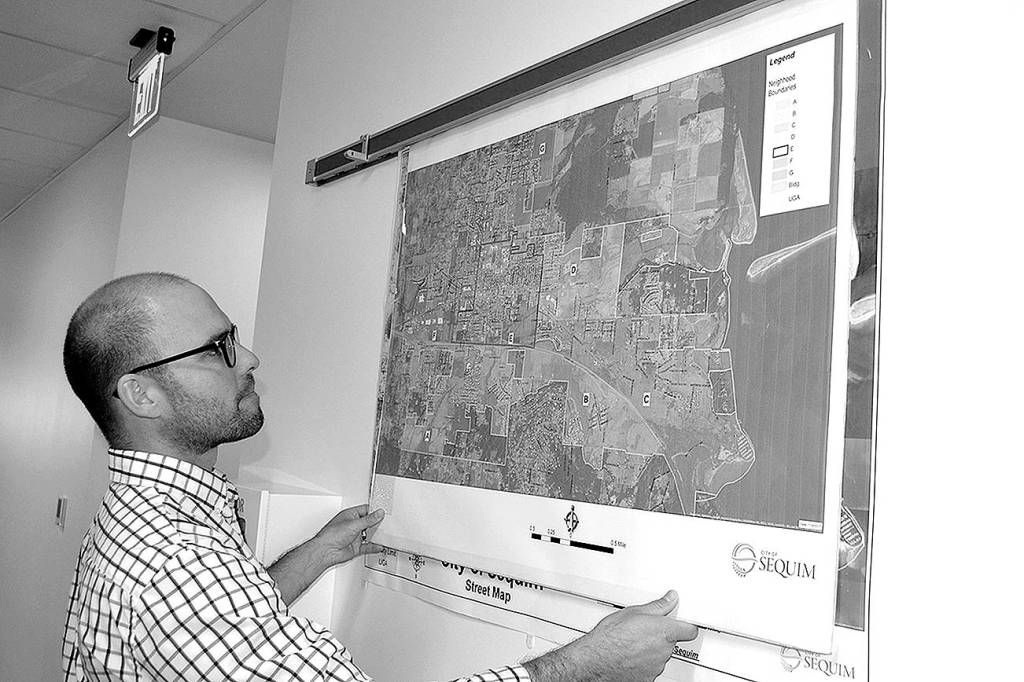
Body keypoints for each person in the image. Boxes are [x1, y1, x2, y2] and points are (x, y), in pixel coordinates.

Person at [61, 272, 698, 681]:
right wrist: (587, 665)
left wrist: (312, 557)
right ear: (141, 395)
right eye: (217, 349)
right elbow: (202, 609)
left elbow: (217, 636)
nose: (249, 357)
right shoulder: (178, 565)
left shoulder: (138, 527)